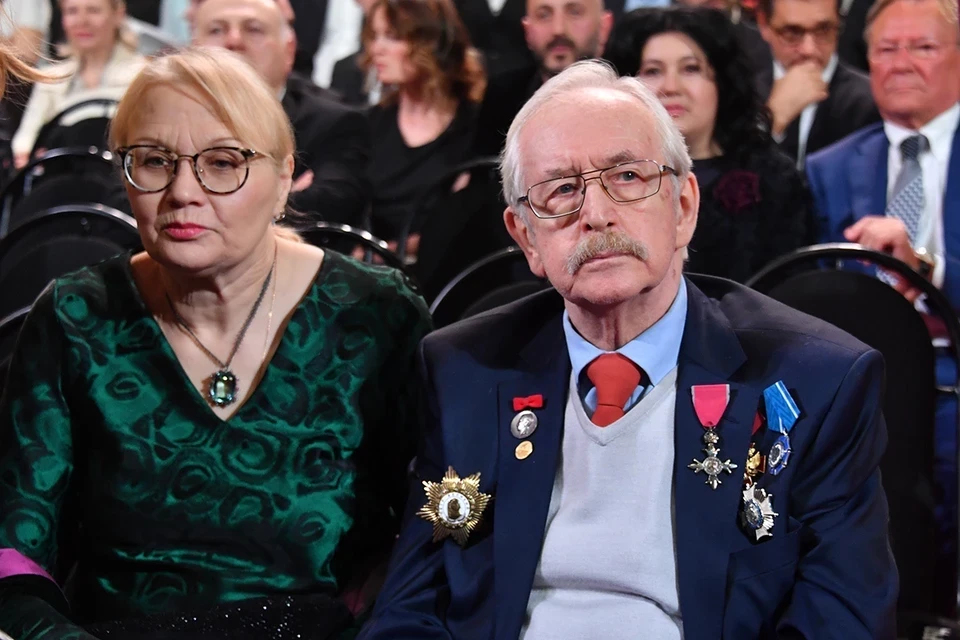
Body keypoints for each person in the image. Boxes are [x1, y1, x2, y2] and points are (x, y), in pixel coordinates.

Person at [356, 60, 897, 640]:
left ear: (683, 207)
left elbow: (842, 621)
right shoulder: (465, 370)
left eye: (628, 177)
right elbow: (411, 607)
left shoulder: (814, 382)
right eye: (562, 190)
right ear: (526, 237)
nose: (596, 214)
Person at [0, 46, 431, 639]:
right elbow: (14, 556)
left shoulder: (375, 315)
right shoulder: (76, 315)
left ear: (284, 179)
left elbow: (447, 516)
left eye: (223, 162)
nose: (183, 191)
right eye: (154, 161)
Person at [805, 0, 960, 604]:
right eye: (886, 49)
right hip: (870, 382)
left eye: (923, 47)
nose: (900, 63)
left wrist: (930, 270)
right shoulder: (827, 168)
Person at [603, 6, 814, 283]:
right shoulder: (602, 178)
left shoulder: (775, 178)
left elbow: (792, 289)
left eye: (691, 69)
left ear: (722, 83)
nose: (671, 86)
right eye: (653, 71)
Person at [194, 0, 371, 225]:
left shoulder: (335, 124)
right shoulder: (166, 119)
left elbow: (329, 209)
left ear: (289, 49)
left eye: (253, 29)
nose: (234, 40)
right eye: (217, 30)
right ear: (193, 48)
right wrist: (279, 199)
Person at [361, 0, 486, 254]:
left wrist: (390, 252)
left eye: (392, 37)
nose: (377, 48)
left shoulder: (477, 125)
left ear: (430, 43)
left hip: (449, 267)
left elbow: (467, 224)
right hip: (373, 267)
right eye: (375, 36)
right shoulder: (368, 124)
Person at [11, 0, 145, 167]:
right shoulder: (51, 79)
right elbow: (23, 145)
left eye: (93, 10)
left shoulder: (143, 77)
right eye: (72, 11)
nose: (82, 21)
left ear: (118, 14)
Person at [473, 0, 612, 156]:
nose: (558, 29)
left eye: (574, 12)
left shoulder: (629, 96)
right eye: (544, 15)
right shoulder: (501, 99)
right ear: (527, 31)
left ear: (604, 26)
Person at [755, 0, 879, 167]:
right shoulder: (739, 95)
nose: (809, 49)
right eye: (792, 33)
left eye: (823, 30)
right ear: (763, 24)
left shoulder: (872, 102)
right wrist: (771, 120)